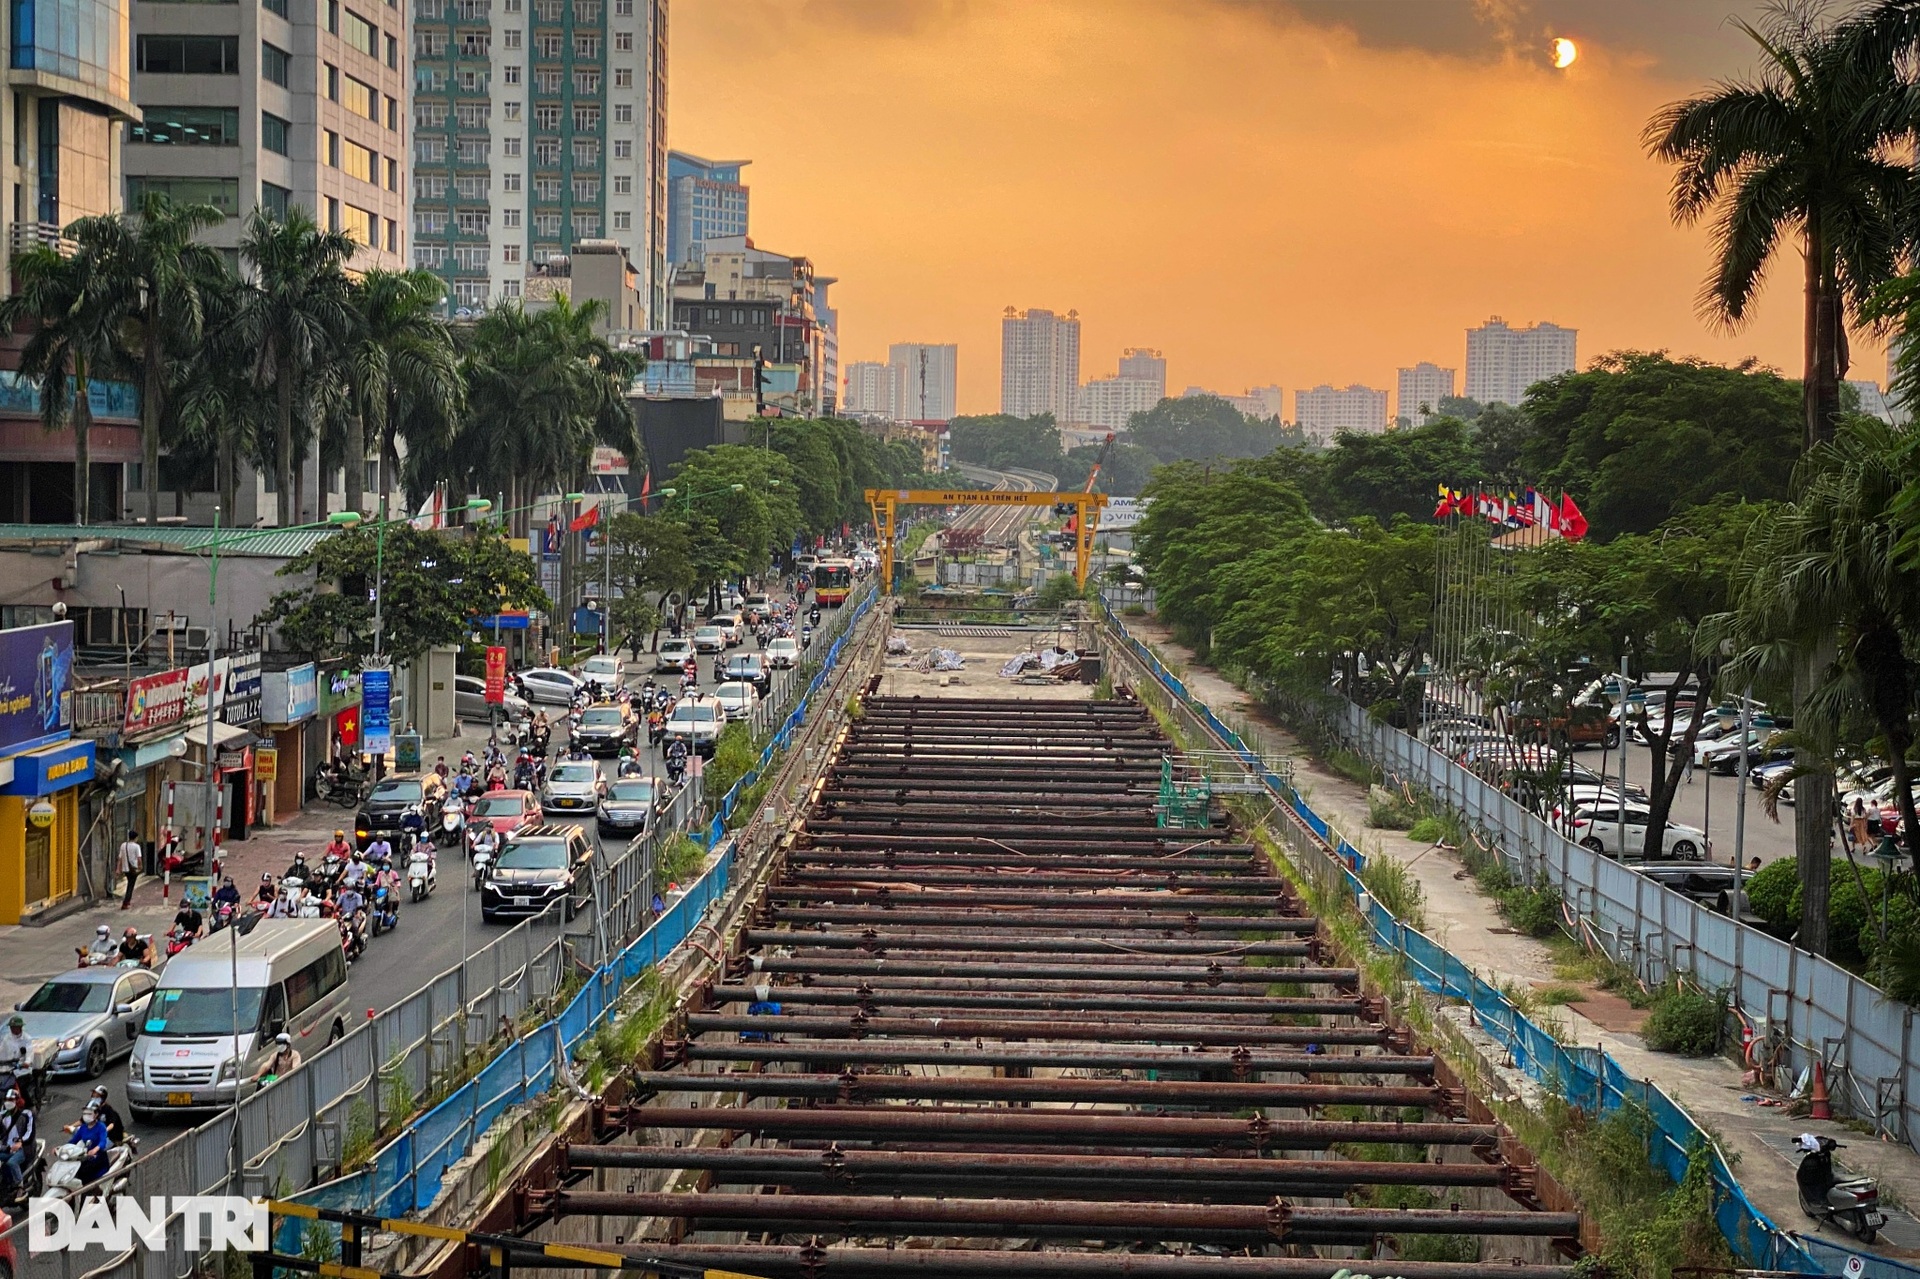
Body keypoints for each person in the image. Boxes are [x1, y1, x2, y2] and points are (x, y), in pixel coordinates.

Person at [0, 1089, 33, 1200]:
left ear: (17, 1101)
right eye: (6, 1100)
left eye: (11, 1100)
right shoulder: (3, 1116)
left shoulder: (26, 1114)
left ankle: (20, 1188)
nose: (8, 1102)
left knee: (12, 1162)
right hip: (8, 1148)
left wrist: (21, 1142)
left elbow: (30, 1132)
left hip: (24, 1148)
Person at [70, 1103, 111, 1184]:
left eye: (89, 1113)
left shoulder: (101, 1127)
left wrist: (96, 1149)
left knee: (85, 1172)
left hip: (99, 1156)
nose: (86, 1115)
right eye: (85, 1113)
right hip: (85, 1155)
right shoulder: (83, 1127)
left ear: (96, 1114)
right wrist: (61, 1148)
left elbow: (103, 1141)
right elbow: (73, 1141)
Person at [117, 831, 142, 909]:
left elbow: (120, 858)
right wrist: (140, 866)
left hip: (125, 869)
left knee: (129, 884)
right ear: (135, 838)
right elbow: (139, 858)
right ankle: (126, 902)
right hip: (133, 869)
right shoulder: (136, 846)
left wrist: (118, 868)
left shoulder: (123, 845)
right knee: (130, 885)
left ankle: (127, 901)